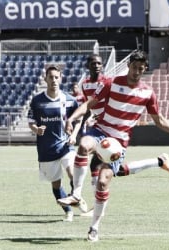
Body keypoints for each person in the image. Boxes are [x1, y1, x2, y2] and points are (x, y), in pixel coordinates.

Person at [57, 50, 169, 242]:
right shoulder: (111, 83)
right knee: (84, 144)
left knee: (103, 182)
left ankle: (94, 227)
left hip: (119, 142)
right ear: (128, 66)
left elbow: (159, 120)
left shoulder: (147, 93)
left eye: (141, 68)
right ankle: (76, 194)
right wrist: (72, 118)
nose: (137, 71)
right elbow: (89, 104)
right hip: (101, 130)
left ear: (145, 69)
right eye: (134, 67)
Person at [58, 54, 113, 217]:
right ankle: (89, 203)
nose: (97, 65)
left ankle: (81, 197)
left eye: (99, 63)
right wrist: (79, 125)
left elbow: (111, 103)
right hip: (98, 127)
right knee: (95, 166)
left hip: (110, 127)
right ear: (87, 66)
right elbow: (88, 107)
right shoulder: (86, 85)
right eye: (93, 63)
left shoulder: (107, 82)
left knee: (104, 167)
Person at [28, 64, 83, 222]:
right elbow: (31, 122)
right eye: (50, 77)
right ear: (45, 79)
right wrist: (36, 129)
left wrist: (73, 135)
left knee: (73, 172)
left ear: (61, 78)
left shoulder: (69, 100)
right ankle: (68, 211)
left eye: (56, 77)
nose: (53, 80)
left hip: (65, 145)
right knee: (56, 185)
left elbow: (78, 119)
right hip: (46, 150)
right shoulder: (37, 101)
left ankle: (76, 197)